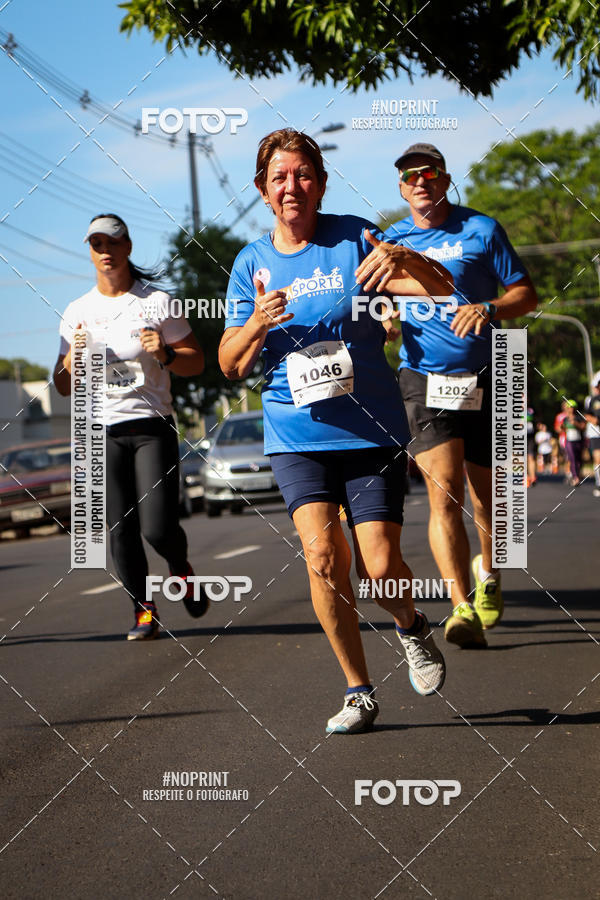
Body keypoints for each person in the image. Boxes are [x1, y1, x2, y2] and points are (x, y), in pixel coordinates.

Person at [219, 129, 454, 734]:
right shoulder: (252, 264)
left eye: (303, 175)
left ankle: (409, 626)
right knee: (324, 557)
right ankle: (358, 690)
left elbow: (442, 289)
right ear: (262, 190)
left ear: (320, 183)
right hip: (295, 433)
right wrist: (257, 323)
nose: (291, 186)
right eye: (279, 178)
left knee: (379, 567)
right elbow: (228, 362)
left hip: (369, 429)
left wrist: (408, 258)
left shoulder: (354, 239)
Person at [384, 143, 538, 649]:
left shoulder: (482, 229)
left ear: (445, 179)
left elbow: (525, 294)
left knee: (489, 499)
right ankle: (460, 606)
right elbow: (377, 300)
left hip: (490, 371)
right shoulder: (392, 241)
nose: (419, 182)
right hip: (423, 377)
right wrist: (383, 318)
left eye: (428, 173)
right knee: (442, 492)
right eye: (409, 177)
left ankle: (489, 573)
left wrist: (490, 308)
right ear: (401, 188)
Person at [53, 214, 206, 640]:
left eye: (112, 243)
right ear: (90, 251)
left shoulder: (157, 302)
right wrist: (69, 361)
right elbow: (62, 387)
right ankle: (143, 610)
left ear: (128, 247)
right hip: (100, 431)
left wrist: (167, 354)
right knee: (119, 530)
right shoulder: (76, 312)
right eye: (96, 244)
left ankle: (181, 568)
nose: (105, 251)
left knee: (156, 528)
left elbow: (197, 361)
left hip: (152, 425)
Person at [560, 399, 585, 485]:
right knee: (572, 458)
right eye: (569, 407)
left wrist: (576, 424)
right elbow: (562, 428)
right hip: (569, 441)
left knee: (579, 459)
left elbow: (583, 427)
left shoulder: (579, 417)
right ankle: (575, 477)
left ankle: (578, 474)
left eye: (572, 407)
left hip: (579, 440)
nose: (571, 409)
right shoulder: (565, 419)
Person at [583, 373, 600, 497]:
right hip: (596, 432)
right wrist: (593, 420)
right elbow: (586, 414)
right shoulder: (592, 400)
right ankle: (599, 483)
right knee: (598, 458)